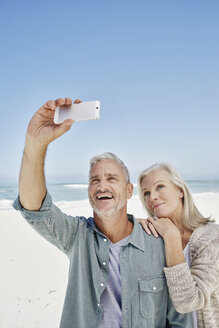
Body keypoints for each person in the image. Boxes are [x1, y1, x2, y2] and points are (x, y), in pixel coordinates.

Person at [13, 98, 193, 328]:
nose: (102, 186)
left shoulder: (159, 245)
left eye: (111, 179)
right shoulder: (77, 236)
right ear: (89, 191)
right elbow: (34, 207)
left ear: (129, 191)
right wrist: (35, 143)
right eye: (94, 180)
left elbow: (181, 320)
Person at [137, 163, 219, 328]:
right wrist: (129, 226)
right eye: (146, 193)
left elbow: (189, 302)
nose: (152, 197)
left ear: (180, 190)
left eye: (159, 186)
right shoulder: (150, 236)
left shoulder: (212, 237)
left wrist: (172, 237)